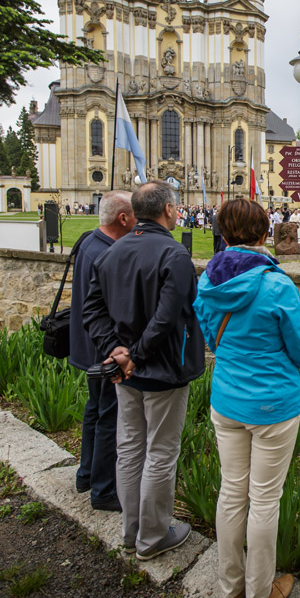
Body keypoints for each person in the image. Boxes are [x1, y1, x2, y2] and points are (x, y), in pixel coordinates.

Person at [194, 199, 300, 598]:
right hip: (273, 403)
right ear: (264, 235)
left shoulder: (208, 280)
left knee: (232, 491)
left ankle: (231, 589)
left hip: (228, 398)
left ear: (223, 236)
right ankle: (257, 595)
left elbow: (211, 336)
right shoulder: (276, 284)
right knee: (264, 499)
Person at [82, 180, 202, 560]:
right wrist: (135, 353)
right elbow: (167, 318)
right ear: (168, 210)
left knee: (130, 448)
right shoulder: (174, 254)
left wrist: (116, 351)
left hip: (125, 369)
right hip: (160, 367)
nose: (179, 211)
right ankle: (152, 536)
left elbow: (92, 312)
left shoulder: (112, 252)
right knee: (160, 452)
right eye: (177, 207)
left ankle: (131, 530)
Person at [70, 191, 135, 512]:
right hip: (105, 350)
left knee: (95, 411)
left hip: (89, 347)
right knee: (110, 417)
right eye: (135, 214)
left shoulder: (89, 242)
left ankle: (86, 474)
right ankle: (104, 489)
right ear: (123, 218)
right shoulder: (109, 253)